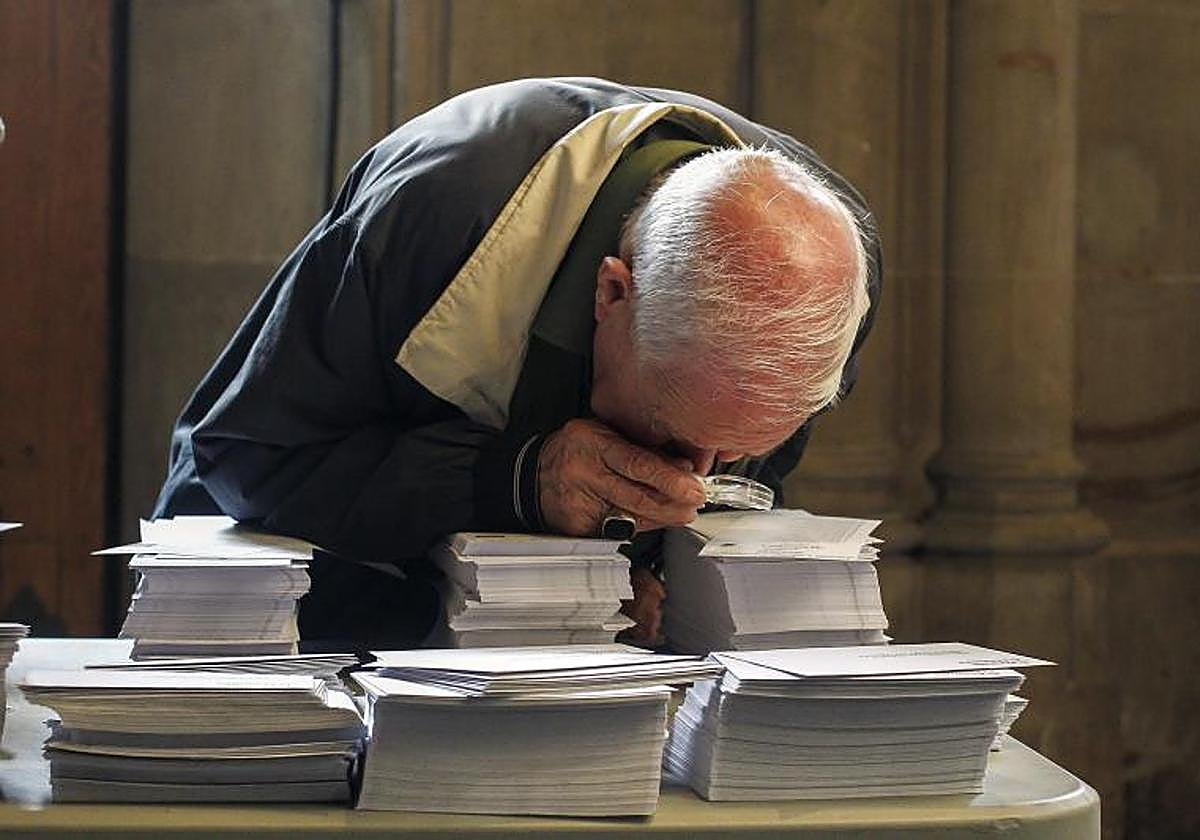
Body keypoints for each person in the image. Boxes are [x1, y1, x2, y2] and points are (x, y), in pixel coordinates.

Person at [153, 77, 881, 648]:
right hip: (282, 608)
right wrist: (514, 479)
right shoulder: (434, 208)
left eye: (743, 448)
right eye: (673, 433)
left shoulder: (828, 270)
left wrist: (652, 566)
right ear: (611, 292)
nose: (698, 479)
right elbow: (250, 456)